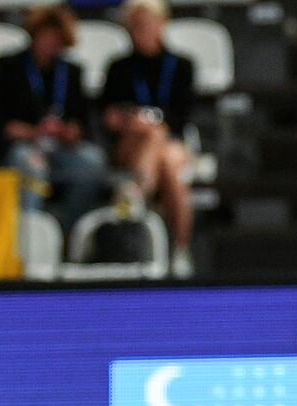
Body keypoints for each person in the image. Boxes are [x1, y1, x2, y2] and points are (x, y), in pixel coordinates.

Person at [0, 5, 106, 233]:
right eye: (47, 37)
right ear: (35, 35)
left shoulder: (71, 72)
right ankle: (30, 236)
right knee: (30, 164)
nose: (51, 44)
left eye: (57, 39)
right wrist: (34, 132)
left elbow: (82, 122)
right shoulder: (11, 67)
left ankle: (68, 232)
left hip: (60, 147)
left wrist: (68, 132)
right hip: (23, 145)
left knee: (92, 162)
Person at [100, 0, 196, 277]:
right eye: (136, 25)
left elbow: (182, 117)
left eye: (148, 23)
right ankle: (179, 249)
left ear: (162, 24)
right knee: (159, 151)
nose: (142, 30)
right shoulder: (119, 67)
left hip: (171, 142)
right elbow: (108, 115)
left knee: (168, 159)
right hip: (130, 144)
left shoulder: (180, 65)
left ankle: (136, 198)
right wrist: (130, 122)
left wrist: (153, 125)